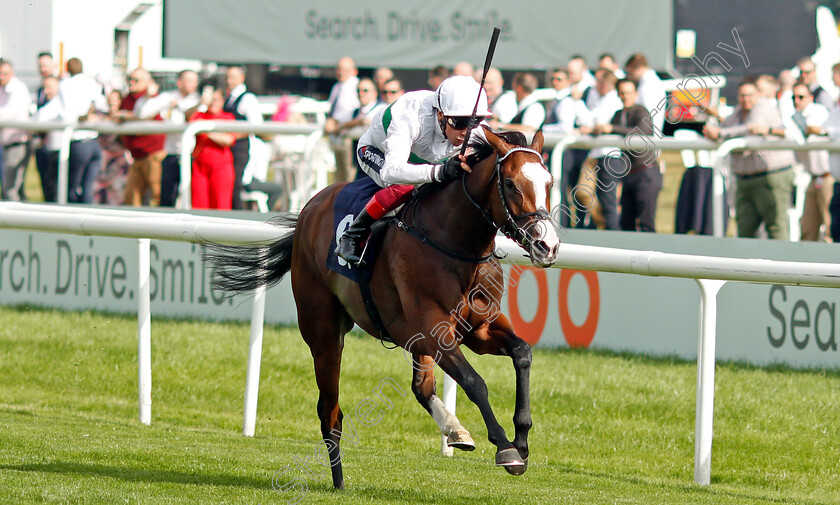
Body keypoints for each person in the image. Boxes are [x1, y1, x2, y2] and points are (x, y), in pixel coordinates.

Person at [335, 75, 490, 265]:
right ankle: (352, 236)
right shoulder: (410, 116)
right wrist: (440, 172)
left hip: (422, 161)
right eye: (458, 123)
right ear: (440, 115)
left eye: (475, 121)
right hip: (376, 152)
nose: (467, 131)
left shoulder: (472, 125)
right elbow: (391, 171)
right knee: (405, 185)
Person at [703, 80, 795, 240]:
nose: (746, 99)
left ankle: (782, 263)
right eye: (742, 95)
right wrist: (716, 119)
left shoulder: (764, 107)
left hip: (771, 177)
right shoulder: (739, 110)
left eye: (749, 95)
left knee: (776, 228)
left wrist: (719, 134)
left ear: (758, 94)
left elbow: (751, 129)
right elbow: (729, 126)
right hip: (745, 179)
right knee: (745, 230)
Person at [37, 57, 108, 204]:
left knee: (72, 188)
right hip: (93, 142)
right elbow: (102, 105)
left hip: (78, 142)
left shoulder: (65, 85)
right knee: (87, 189)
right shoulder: (91, 82)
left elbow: (64, 112)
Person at [594, 78, 661, 232]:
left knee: (646, 221)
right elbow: (610, 130)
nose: (625, 96)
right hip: (629, 174)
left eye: (629, 93)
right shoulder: (618, 114)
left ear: (635, 94)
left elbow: (642, 131)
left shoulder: (641, 111)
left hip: (646, 172)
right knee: (626, 222)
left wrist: (612, 128)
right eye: (622, 93)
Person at [139, 69, 200, 206]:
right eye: (189, 81)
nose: (193, 84)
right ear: (179, 82)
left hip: (192, 156)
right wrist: (149, 97)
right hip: (170, 154)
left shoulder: (199, 100)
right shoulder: (168, 97)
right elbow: (143, 113)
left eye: (195, 81)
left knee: (189, 197)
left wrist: (181, 106)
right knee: (166, 197)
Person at [112, 67, 167, 206]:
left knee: (157, 194)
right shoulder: (128, 98)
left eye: (135, 80)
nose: (131, 82)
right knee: (131, 196)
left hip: (153, 153)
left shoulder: (153, 98)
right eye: (129, 79)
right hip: (137, 155)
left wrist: (124, 116)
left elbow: (143, 115)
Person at [786, 83, 831, 241]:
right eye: (794, 97)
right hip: (814, 178)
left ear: (810, 98)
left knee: (829, 227)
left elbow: (806, 135)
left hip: (827, 178)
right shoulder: (795, 117)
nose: (796, 101)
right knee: (807, 228)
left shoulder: (819, 112)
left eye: (801, 97)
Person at [190, 89, 237, 209]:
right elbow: (188, 117)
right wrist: (200, 103)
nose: (213, 103)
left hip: (221, 166)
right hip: (200, 166)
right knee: (199, 204)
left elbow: (228, 140)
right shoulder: (200, 115)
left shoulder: (227, 117)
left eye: (216, 100)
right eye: (211, 100)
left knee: (221, 204)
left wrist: (206, 130)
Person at [224, 65, 263, 208]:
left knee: (236, 186)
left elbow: (256, 125)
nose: (229, 81)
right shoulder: (228, 99)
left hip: (241, 148)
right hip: (228, 148)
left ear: (242, 78)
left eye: (232, 78)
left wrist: (233, 135)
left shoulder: (248, 98)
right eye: (227, 78)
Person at [0, 59, 32, 200]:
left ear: (12, 73)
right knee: (12, 188)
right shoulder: (3, 89)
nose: (2, 77)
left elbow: (8, 113)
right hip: (6, 144)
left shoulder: (19, 89)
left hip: (17, 143)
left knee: (11, 188)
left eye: (4, 73)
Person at [325, 57, 360, 184]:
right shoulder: (336, 87)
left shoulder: (357, 87)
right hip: (336, 135)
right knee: (338, 175)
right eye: (339, 69)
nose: (341, 72)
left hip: (348, 135)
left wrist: (339, 124)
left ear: (354, 71)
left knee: (349, 174)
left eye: (345, 70)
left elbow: (357, 113)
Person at [31, 75, 61, 201]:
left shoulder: (57, 103)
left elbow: (38, 119)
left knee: (53, 187)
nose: (46, 91)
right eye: (45, 88)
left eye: (49, 88)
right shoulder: (45, 101)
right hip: (48, 148)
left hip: (57, 151)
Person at [625, 53, 666, 135]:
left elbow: (647, 114)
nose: (630, 77)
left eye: (631, 73)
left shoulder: (647, 86)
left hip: (647, 135)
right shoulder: (653, 83)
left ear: (638, 68)